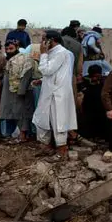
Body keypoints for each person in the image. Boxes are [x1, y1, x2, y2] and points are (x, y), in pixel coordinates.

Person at [32, 30, 78, 158]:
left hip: (57, 94)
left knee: (59, 123)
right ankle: (46, 147)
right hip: (50, 91)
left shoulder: (61, 53)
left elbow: (46, 70)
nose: (41, 43)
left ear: (51, 41)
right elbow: (55, 73)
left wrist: (43, 54)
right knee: (40, 119)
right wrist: (41, 81)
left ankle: (61, 152)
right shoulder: (54, 53)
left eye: (43, 40)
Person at [0, 39, 37, 142]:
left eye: (11, 48)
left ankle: (23, 135)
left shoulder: (24, 59)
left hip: (20, 92)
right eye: (6, 49)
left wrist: (21, 91)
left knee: (22, 113)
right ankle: (18, 134)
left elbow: (26, 74)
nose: (8, 51)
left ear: (17, 48)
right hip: (11, 92)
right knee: (14, 113)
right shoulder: (10, 60)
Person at [77, 65, 110, 141]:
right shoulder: (84, 81)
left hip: (100, 107)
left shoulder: (103, 81)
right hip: (88, 106)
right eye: (93, 76)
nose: (95, 78)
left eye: (97, 76)